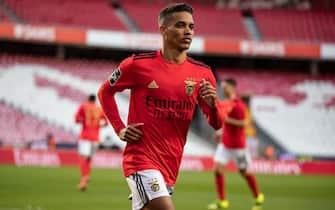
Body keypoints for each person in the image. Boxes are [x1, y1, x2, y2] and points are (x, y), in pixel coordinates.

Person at [98, 3, 223, 210]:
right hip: (141, 160)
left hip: (170, 165)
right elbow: (105, 92)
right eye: (181, 25)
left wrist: (213, 105)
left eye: (191, 27)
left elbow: (217, 123)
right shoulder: (137, 65)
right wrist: (120, 128)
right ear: (163, 30)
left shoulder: (203, 73)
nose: (188, 32)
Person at [208, 78, 264, 210]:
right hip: (225, 145)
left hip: (239, 147)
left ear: (232, 88)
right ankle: (222, 202)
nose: (223, 89)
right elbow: (228, 125)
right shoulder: (227, 103)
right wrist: (221, 133)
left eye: (225, 87)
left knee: (244, 172)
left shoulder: (238, 105)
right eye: (222, 87)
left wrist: (226, 120)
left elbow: (244, 123)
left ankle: (258, 197)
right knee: (217, 170)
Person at [75, 94, 107, 191]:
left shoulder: (83, 106)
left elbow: (77, 119)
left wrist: (83, 122)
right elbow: (106, 123)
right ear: (95, 100)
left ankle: (84, 180)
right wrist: (98, 127)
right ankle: (87, 176)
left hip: (85, 137)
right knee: (89, 158)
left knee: (83, 158)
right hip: (96, 138)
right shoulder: (99, 109)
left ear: (88, 99)